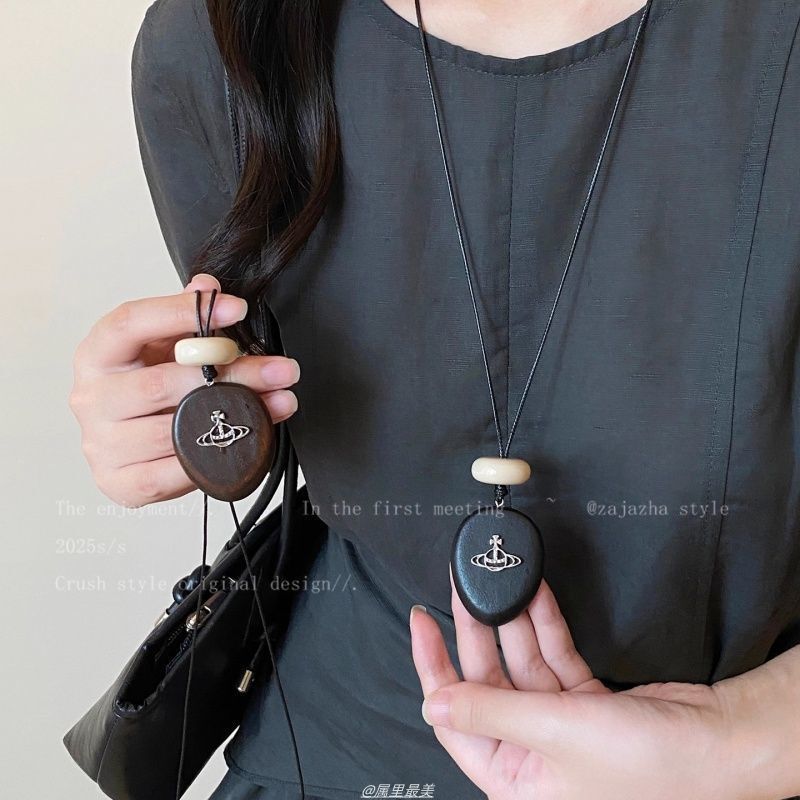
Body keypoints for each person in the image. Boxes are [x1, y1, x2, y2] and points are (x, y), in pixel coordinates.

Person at [69, 0, 800, 797]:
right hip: (337, 753)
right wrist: (170, 416)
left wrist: (732, 746)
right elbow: (266, 398)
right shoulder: (226, 38)